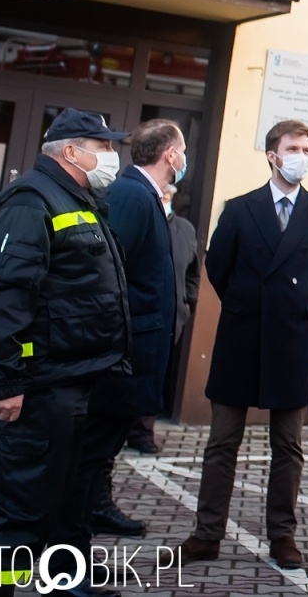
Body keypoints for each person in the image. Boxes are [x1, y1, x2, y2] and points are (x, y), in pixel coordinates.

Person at [0, 109, 131, 596]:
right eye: (102, 146)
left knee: (67, 498)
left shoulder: (79, 197)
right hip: (43, 384)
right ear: (69, 151)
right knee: (26, 502)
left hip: (81, 377)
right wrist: (6, 381)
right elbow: (3, 295)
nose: (110, 156)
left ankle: (66, 585)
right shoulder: (30, 201)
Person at [179, 119, 308, 570]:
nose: (301, 156)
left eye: (307, 148)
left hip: (291, 340)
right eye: (293, 148)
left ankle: (282, 537)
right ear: (272, 155)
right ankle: (206, 534)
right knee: (222, 442)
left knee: (288, 446)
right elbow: (218, 266)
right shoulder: (239, 208)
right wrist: (248, 302)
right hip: (242, 335)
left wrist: (294, 306)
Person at [77, 119, 182, 544]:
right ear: (170, 155)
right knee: (97, 441)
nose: (183, 157)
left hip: (139, 346)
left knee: (110, 438)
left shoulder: (146, 195)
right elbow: (108, 273)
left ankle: (95, 507)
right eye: (182, 149)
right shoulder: (131, 195)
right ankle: (78, 519)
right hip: (124, 348)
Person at [127, 182, 200, 455]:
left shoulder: (185, 229)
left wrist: (186, 303)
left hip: (171, 316)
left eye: (169, 195)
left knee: (156, 376)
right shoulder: (141, 222)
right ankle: (116, 428)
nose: (165, 199)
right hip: (136, 313)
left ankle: (142, 432)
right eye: (161, 195)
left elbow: (193, 272)